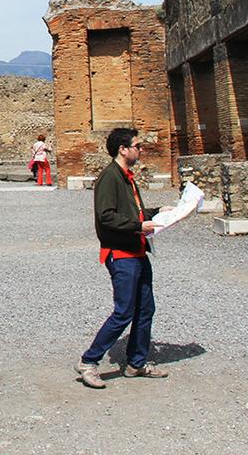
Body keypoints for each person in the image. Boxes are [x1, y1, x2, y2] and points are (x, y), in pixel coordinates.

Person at [75, 128, 172, 389]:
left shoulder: (127, 177)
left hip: (138, 251)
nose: (141, 150)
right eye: (137, 146)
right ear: (123, 149)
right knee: (123, 312)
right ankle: (89, 361)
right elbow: (106, 216)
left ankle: (136, 362)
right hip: (121, 255)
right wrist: (139, 227)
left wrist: (157, 211)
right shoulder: (109, 177)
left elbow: (133, 212)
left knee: (145, 309)